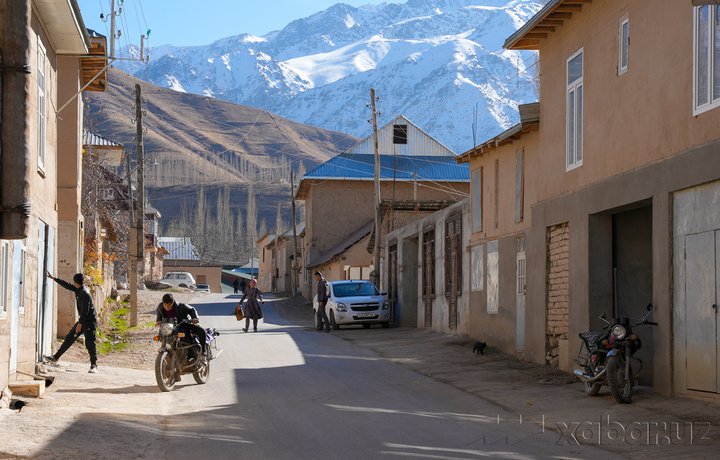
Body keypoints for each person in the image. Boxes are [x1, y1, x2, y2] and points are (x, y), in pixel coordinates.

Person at [44, 272, 98, 373]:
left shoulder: (84, 293)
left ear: (75, 282)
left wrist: (80, 324)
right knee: (69, 338)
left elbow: (85, 310)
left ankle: (94, 365)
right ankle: (56, 357)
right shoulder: (79, 289)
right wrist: (54, 278)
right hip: (82, 320)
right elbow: (67, 285)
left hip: (89, 322)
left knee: (90, 343)